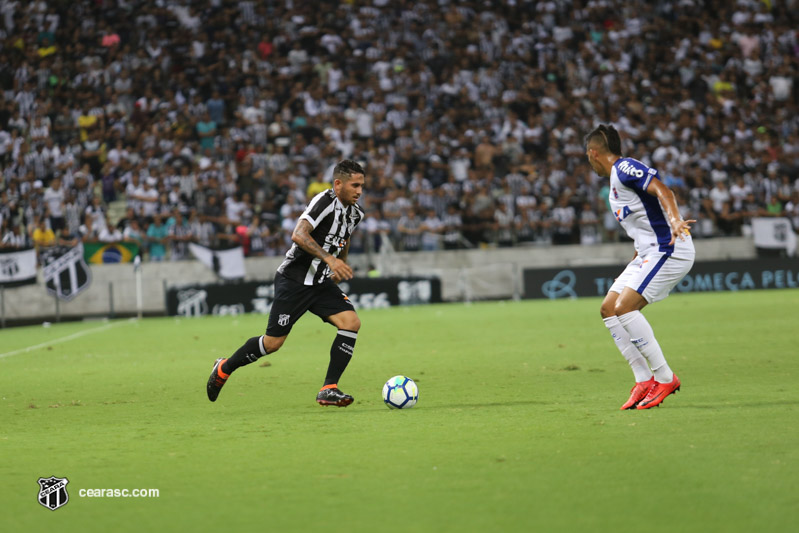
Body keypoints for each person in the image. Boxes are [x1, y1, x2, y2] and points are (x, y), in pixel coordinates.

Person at [207, 160, 366, 407]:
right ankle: (224, 368)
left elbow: (342, 240)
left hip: (321, 282)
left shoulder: (355, 213)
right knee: (273, 343)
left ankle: (328, 387)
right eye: (355, 185)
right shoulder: (324, 202)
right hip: (294, 280)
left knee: (351, 322)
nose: (359, 191)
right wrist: (330, 259)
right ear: (338, 184)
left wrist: (338, 265)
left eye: (361, 186)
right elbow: (298, 234)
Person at [585, 124, 695, 410]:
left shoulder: (625, 168)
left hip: (669, 248)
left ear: (593, 153)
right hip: (647, 252)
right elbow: (643, 220)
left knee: (626, 307)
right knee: (609, 308)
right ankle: (643, 380)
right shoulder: (613, 182)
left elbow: (663, 189)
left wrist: (674, 221)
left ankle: (665, 377)